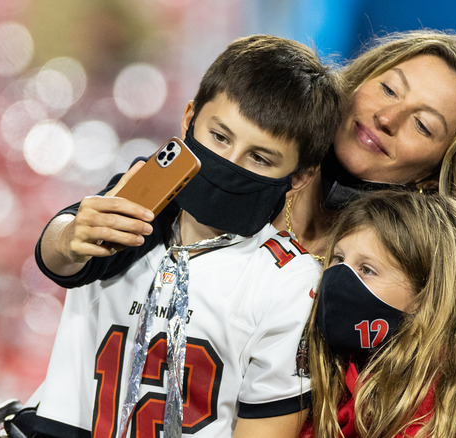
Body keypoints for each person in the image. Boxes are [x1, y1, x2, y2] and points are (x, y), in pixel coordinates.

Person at [36, 30, 456, 437]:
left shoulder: (414, 277)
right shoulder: (209, 180)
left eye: (423, 126)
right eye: (389, 89)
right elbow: (76, 248)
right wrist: (65, 234)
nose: (388, 117)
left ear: (433, 173)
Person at [30, 34, 343, 437]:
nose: (230, 163)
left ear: (299, 177)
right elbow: (60, 255)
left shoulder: (289, 280)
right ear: (189, 118)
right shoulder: (137, 202)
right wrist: (70, 233)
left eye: (260, 157)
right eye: (220, 137)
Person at [299, 190, 456, 438]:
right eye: (338, 258)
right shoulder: (331, 359)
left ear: (427, 295)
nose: (339, 278)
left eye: (367, 269)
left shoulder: (448, 391)